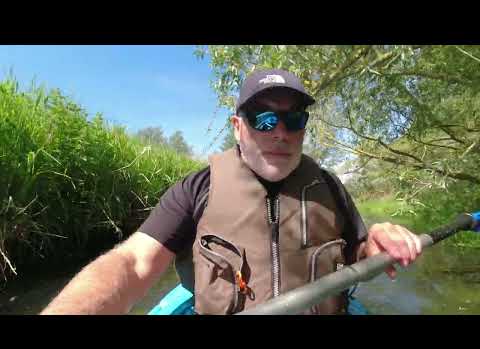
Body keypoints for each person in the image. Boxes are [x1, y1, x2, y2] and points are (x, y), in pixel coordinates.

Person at [41, 69, 423, 315]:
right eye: (265, 118)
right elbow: (133, 263)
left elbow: (361, 252)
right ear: (238, 127)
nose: (280, 132)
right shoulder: (198, 187)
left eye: (293, 119)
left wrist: (376, 243)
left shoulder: (330, 188)